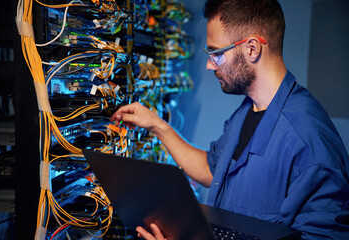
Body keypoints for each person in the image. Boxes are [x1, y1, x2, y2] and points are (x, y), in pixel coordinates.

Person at [110, 0, 349, 239]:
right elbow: (212, 170)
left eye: (216, 53)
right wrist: (157, 125)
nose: (208, 64)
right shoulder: (248, 110)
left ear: (252, 49)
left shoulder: (309, 142)